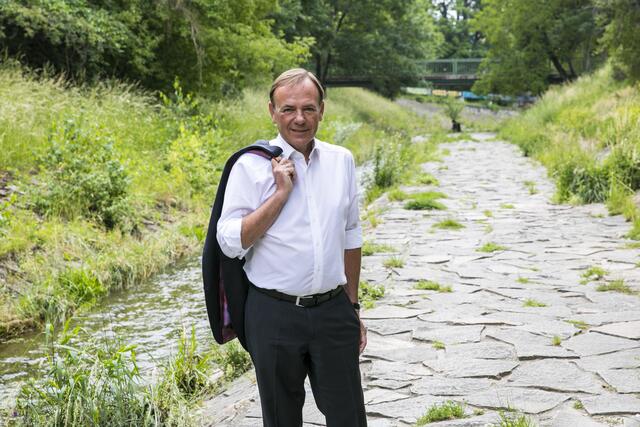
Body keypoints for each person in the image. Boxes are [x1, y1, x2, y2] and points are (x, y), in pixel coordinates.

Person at [216, 68, 367, 427]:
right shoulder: (250, 165)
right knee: (282, 419)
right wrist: (280, 195)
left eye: (308, 108)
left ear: (322, 110)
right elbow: (230, 241)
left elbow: (351, 235)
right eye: (288, 109)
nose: (299, 118)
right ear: (271, 111)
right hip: (273, 313)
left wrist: (353, 304)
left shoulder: (341, 160)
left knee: (349, 418)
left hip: (333, 310)